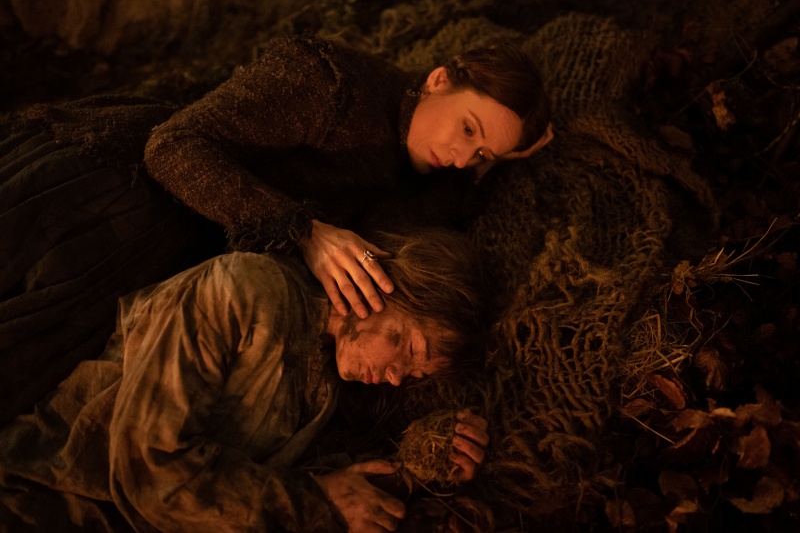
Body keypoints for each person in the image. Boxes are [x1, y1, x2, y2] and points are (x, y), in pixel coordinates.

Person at [0, 34, 551, 424]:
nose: (462, 155)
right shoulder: (332, 82)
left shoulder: (425, 186)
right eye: (468, 128)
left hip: (172, 260)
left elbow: (421, 236)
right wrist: (304, 232)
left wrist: (506, 154)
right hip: (109, 194)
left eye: (482, 153)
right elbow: (173, 147)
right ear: (438, 80)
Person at [0, 228, 492, 532]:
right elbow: (146, 464)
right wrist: (315, 504)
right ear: (387, 287)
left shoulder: (324, 380)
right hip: (41, 501)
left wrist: (425, 464)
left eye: (414, 374)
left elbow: (257, 479)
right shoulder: (245, 289)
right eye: (410, 349)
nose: (395, 377)